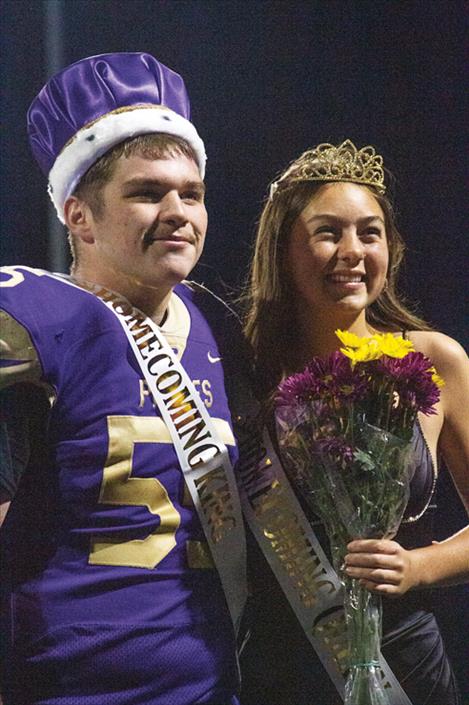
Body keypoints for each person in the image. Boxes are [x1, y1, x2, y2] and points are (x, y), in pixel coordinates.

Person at [0, 52, 251, 705]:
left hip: (210, 688)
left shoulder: (219, 327)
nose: (178, 211)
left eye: (191, 193)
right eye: (147, 192)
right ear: (78, 215)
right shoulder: (36, 320)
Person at [238, 140, 469, 705]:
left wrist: (417, 566)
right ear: (283, 252)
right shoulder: (240, 375)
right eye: (326, 233)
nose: (352, 252)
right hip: (278, 671)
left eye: (370, 233)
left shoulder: (434, 362)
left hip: (406, 665)